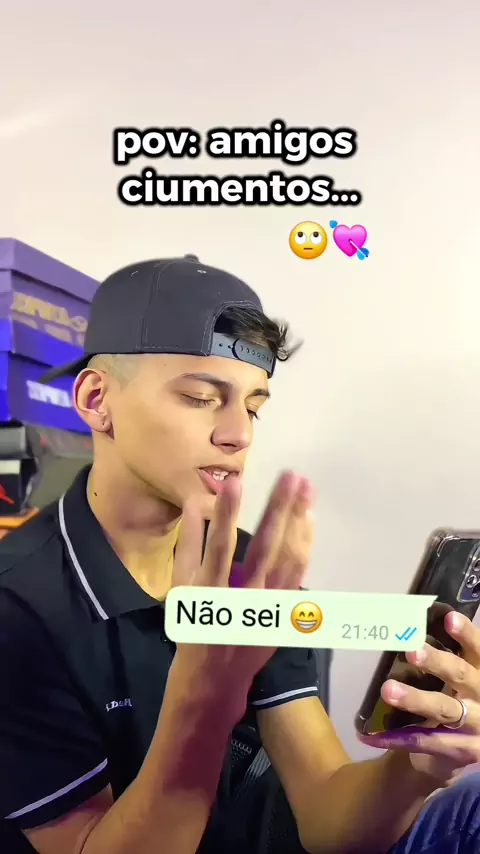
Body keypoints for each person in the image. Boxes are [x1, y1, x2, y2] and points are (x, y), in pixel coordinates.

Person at [1, 253, 480, 854]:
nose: (240, 434)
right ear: (98, 400)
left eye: (253, 406)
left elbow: (328, 818)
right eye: (201, 397)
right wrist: (205, 697)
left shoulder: (248, 570)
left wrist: (419, 763)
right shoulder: (20, 606)